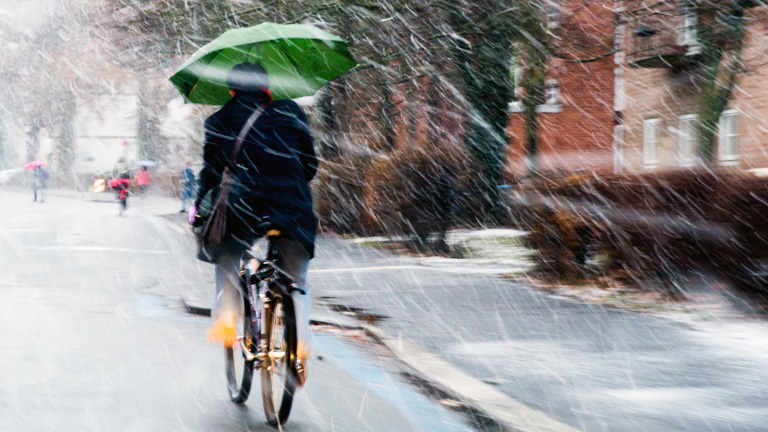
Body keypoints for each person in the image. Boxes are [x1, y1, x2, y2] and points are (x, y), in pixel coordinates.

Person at [191, 62, 317, 386]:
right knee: (296, 278)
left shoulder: (218, 120)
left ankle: (229, 320)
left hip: (241, 206)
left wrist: (198, 208)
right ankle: (298, 348)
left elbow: (210, 175)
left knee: (227, 256)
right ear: (268, 88)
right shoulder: (291, 112)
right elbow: (310, 166)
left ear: (231, 90)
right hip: (292, 205)